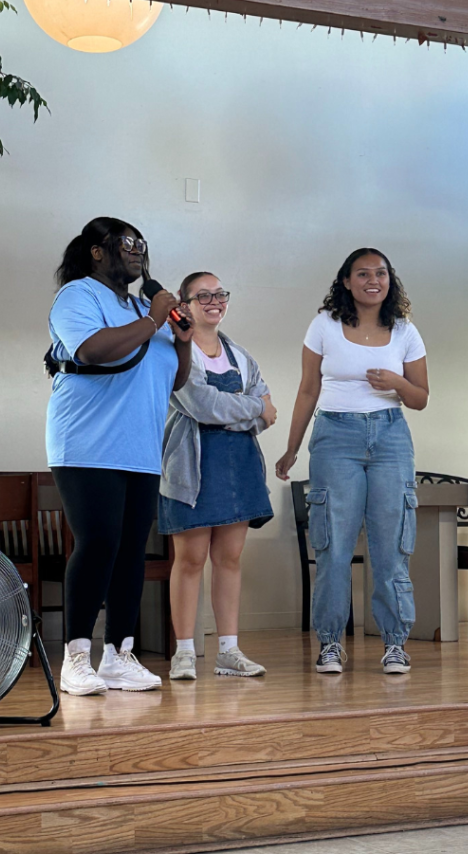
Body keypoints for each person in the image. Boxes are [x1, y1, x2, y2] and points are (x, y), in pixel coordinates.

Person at [47, 217, 192, 696]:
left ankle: (118, 656)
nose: (136, 252)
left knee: (131, 551)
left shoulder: (140, 305)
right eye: (126, 243)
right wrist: (153, 320)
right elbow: (91, 351)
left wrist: (183, 341)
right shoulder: (79, 296)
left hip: (141, 449)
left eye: (141, 246)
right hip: (87, 444)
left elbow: (171, 378)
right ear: (96, 250)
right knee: (100, 543)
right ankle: (75, 657)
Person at [276, 248, 428, 675]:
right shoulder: (323, 324)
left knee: (391, 547)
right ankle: (329, 643)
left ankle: (395, 643)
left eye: (380, 273)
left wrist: (397, 382)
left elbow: (420, 398)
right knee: (333, 546)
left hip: (390, 436)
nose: (372, 280)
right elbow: (308, 389)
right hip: (335, 436)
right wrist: (292, 447)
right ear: (346, 281)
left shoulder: (404, 330)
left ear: (389, 280)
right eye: (362, 274)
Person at [160, 272, 277, 681]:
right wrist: (249, 408)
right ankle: (185, 652)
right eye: (203, 295)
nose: (214, 301)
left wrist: (249, 410)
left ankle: (229, 651)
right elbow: (203, 405)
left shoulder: (242, 357)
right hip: (192, 468)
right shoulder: (175, 352)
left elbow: (271, 413)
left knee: (229, 559)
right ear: (185, 303)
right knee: (190, 559)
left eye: (220, 294)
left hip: (239, 465)